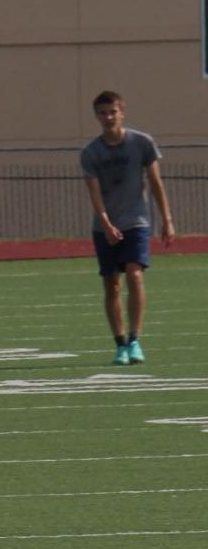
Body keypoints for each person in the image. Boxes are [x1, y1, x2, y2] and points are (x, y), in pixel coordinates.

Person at [79, 90, 175, 365]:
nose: (108, 117)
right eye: (102, 113)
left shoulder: (142, 143)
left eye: (113, 112)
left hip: (136, 221)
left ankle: (135, 339)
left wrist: (167, 219)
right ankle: (120, 343)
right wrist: (107, 224)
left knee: (135, 275)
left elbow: (156, 182)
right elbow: (94, 192)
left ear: (123, 112)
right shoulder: (91, 152)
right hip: (105, 226)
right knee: (112, 285)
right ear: (96, 116)